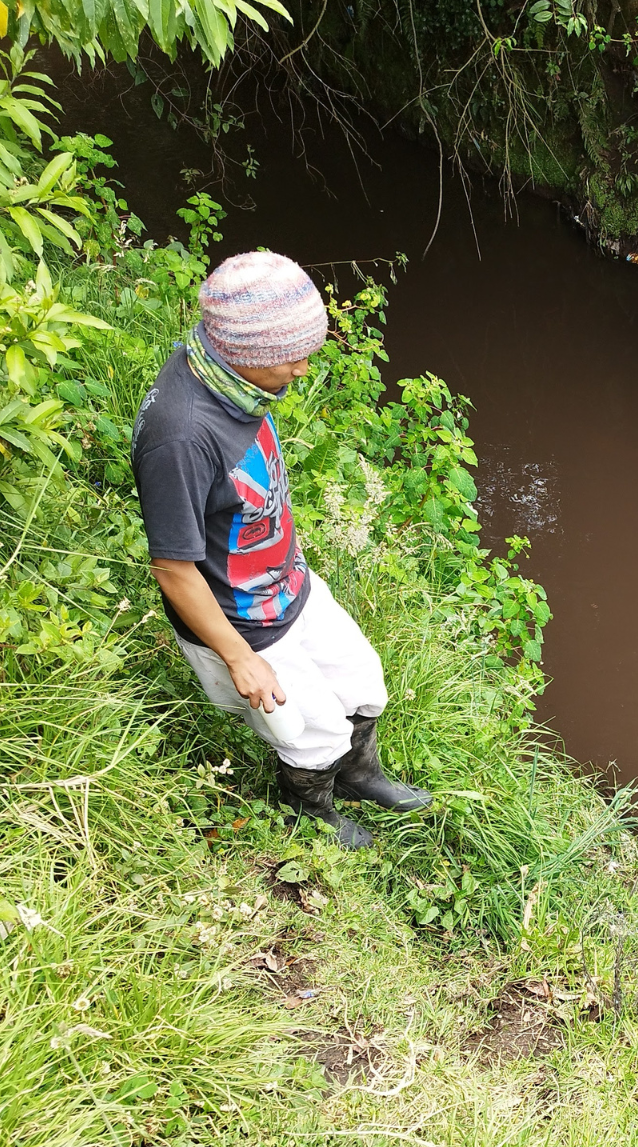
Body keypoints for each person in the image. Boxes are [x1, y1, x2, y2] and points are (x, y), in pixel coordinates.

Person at [132, 249, 430, 848]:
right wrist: (240, 658)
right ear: (251, 355)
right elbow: (172, 567)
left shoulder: (235, 384)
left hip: (287, 586)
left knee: (365, 684)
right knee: (310, 731)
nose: (301, 371)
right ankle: (307, 804)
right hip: (241, 621)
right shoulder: (181, 438)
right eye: (292, 360)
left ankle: (359, 774)